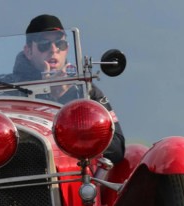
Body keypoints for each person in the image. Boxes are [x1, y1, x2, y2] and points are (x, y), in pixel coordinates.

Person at [11, 14, 125, 164]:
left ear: (67, 49)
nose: (53, 50)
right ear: (29, 51)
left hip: (78, 179)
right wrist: (46, 93)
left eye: (60, 44)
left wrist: (66, 100)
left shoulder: (86, 91)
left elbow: (117, 149)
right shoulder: (8, 88)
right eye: (44, 44)